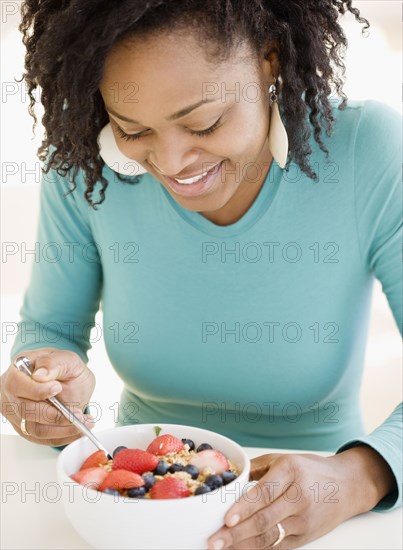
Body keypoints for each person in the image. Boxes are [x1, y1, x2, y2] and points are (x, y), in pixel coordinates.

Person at [1, 1, 401, 548]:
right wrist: (45, 390)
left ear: (269, 59)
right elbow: (47, 333)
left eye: (203, 122)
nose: (171, 161)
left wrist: (359, 476)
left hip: (319, 515)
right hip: (139, 507)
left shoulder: (366, 149)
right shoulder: (84, 164)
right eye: (133, 129)